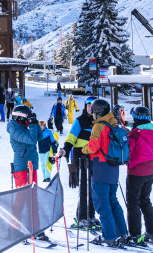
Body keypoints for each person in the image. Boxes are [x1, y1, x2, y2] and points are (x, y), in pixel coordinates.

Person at [82, 98, 128, 248]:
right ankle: (122, 232)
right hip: (113, 167)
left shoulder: (99, 126)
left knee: (102, 204)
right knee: (112, 201)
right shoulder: (114, 123)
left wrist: (84, 149)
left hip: (101, 167)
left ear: (97, 112)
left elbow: (93, 146)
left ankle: (109, 236)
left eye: (93, 110)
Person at [7, 105, 51, 243]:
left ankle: (35, 228)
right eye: (27, 117)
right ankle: (13, 229)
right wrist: (31, 125)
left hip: (32, 167)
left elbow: (38, 136)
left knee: (33, 199)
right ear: (20, 117)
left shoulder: (25, 127)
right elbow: (31, 139)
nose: (28, 121)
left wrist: (35, 123)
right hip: (22, 168)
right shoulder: (14, 128)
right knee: (21, 199)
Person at [125, 106, 153, 247]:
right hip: (149, 170)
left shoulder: (135, 134)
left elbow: (129, 152)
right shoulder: (152, 131)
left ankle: (135, 234)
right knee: (145, 201)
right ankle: (152, 232)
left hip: (136, 171)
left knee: (133, 203)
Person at [60, 96, 98, 229]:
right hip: (80, 158)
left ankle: (91, 215)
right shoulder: (79, 121)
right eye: (88, 104)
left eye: (93, 105)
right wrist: (65, 149)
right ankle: (82, 217)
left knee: (93, 188)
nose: (90, 107)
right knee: (84, 189)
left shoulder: (98, 122)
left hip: (94, 159)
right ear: (85, 106)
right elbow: (71, 137)